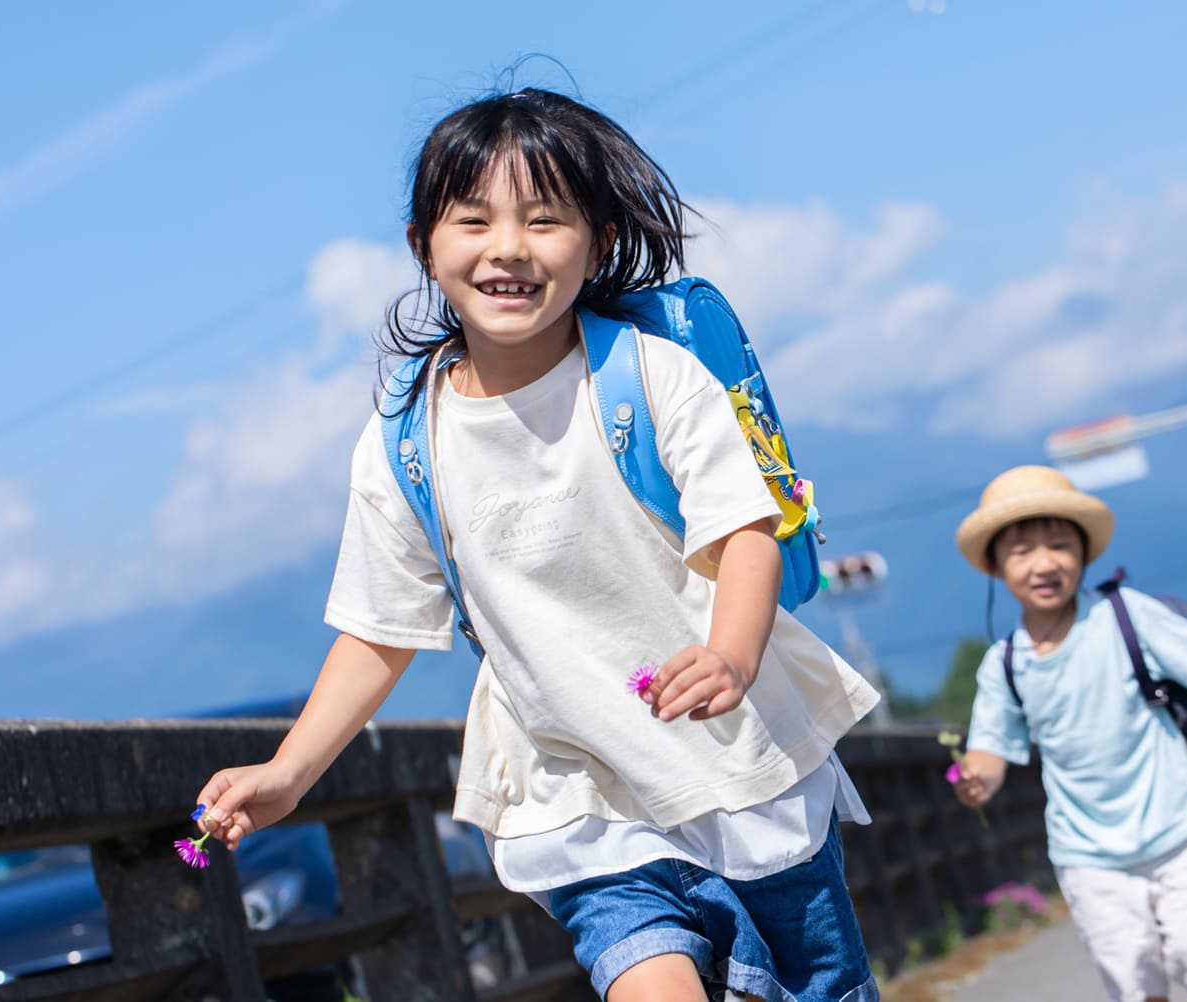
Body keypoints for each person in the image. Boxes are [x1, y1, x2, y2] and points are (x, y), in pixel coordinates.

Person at [191, 88, 881, 1002]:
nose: (507, 247)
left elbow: (745, 531)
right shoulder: (405, 444)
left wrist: (730, 653)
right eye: (472, 219)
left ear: (593, 242)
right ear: (423, 246)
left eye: (544, 219)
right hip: (580, 795)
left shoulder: (650, 378)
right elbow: (380, 631)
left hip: (743, 769)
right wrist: (289, 770)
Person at [949, 466, 1187, 1002]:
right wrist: (978, 782)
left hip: (1174, 825)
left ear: (1083, 553)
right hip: (1086, 852)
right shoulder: (1004, 664)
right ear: (995, 566)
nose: (1044, 563)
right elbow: (991, 747)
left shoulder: (1125, 615)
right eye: (1021, 552)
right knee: (1134, 978)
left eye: (1059, 545)